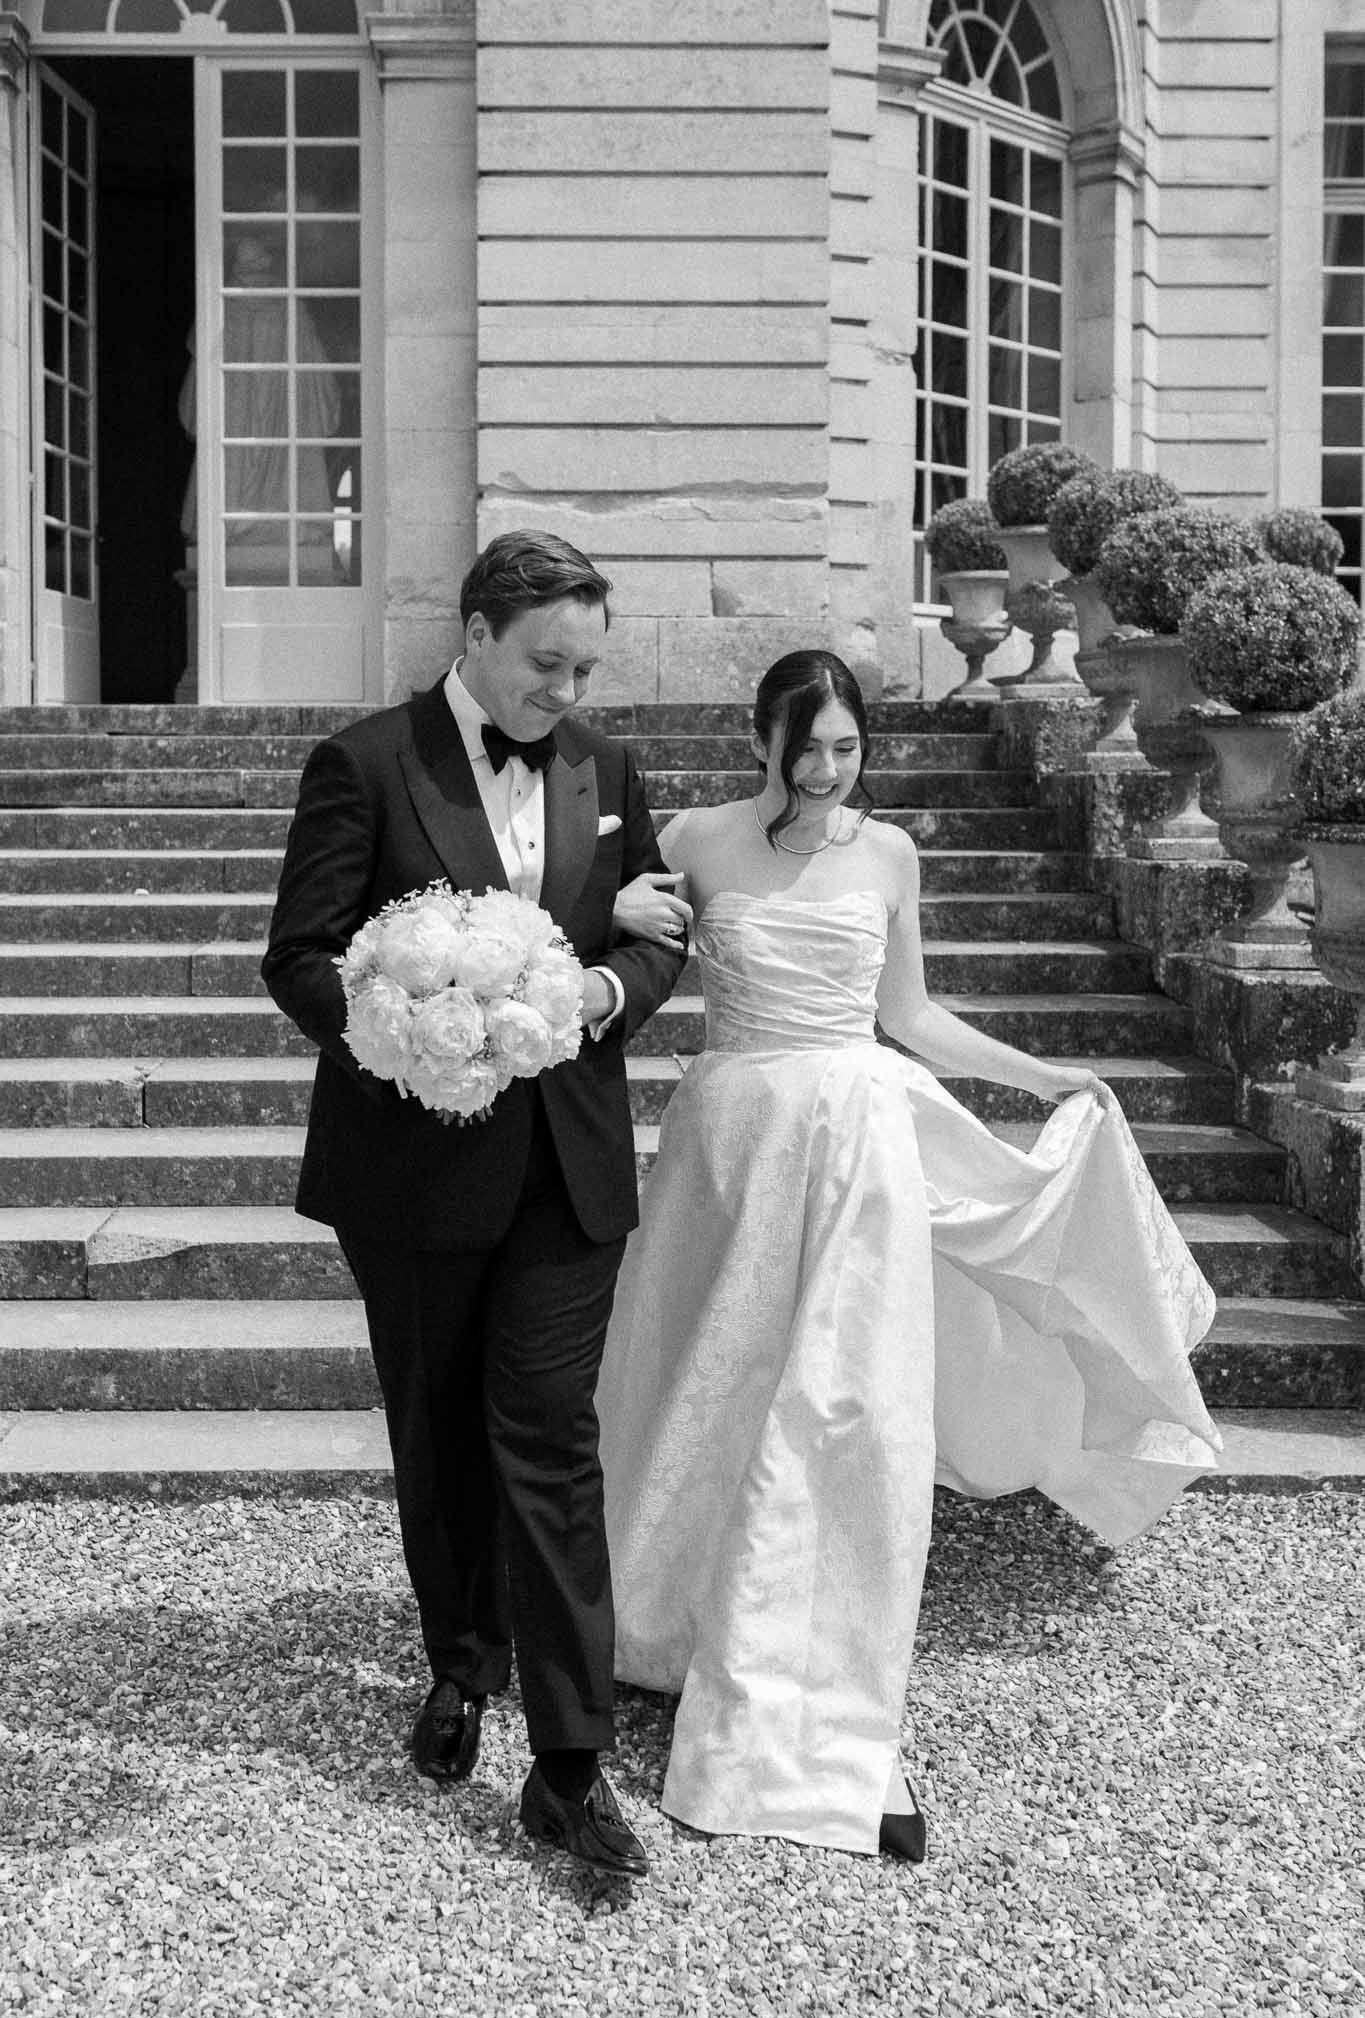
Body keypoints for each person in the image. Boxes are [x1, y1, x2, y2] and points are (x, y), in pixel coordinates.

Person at [598, 650, 1221, 1863]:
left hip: (859, 1144)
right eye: (805, 747)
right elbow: (628, 961)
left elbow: (910, 1015)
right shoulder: (695, 836)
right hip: (730, 1143)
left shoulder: (888, 854)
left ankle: (810, 1672)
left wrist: (1041, 1076)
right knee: (698, 1380)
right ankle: (657, 1628)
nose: (826, 770)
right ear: (758, 738)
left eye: (845, 747)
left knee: (838, 1402)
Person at [262, 530, 685, 1881]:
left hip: (567, 1162)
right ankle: (461, 1662)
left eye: (586, 665)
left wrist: (605, 996)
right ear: (479, 636)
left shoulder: (610, 772)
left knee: (551, 1438)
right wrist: (399, 1029)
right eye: (547, 662)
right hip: (414, 1166)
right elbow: (300, 955)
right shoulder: (365, 764)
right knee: (442, 1434)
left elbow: (651, 931)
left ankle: (569, 1763)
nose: (568, 688)